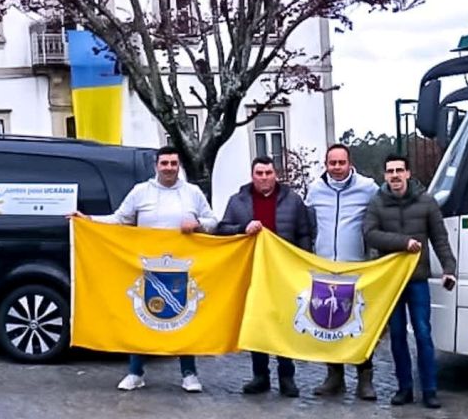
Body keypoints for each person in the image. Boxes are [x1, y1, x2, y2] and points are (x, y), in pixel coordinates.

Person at [70, 145, 217, 393]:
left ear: (179, 166)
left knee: (184, 318)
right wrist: (88, 220)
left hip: (181, 269)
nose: (169, 168)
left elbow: (213, 222)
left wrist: (198, 223)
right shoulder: (141, 192)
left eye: (173, 163)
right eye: (164, 163)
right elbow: (119, 219)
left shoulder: (192, 193)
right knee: (140, 317)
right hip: (145, 267)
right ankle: (135, 372)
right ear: (156, 165)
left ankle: (189, 373)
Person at [363, 154, 456, 409]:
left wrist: (449, 268)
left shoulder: (426, 202)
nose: (395, 175)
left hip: (417, 279)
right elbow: (370, 234)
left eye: (399, 170)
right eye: (390, 171)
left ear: (408, 173)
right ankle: (404, 388)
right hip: (391, 282)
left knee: (423, 333)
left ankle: (429, 389)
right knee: (397, 336)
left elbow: (440, 238)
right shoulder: (377, 203)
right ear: (385, 176)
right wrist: (403, 243)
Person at [218, 155, 311, 398]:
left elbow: (304, 233)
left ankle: (287, 376)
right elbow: (222, 230)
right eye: (259, 173)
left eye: (268, 173)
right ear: (252, 176)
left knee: (283, 324)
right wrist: (242, 228)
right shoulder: (237, 201)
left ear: (275, 174)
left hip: (284, 272)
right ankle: (260, 376)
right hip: (252, 271)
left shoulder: (293, 200)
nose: (264, 178)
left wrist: (303, 264)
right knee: (257, 324)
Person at [305, 143, 379, 400]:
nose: (337, 168)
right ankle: (334, 376)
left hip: (356, 267)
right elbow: (310, 223)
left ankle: (365, 378)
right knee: (329, 323)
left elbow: (381, 214)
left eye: (341, 162)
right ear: (326, 165)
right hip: (325, 268)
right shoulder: (315, 189)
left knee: (359, 324)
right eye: (332, 163)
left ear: (350, 163)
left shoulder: (368, 188)